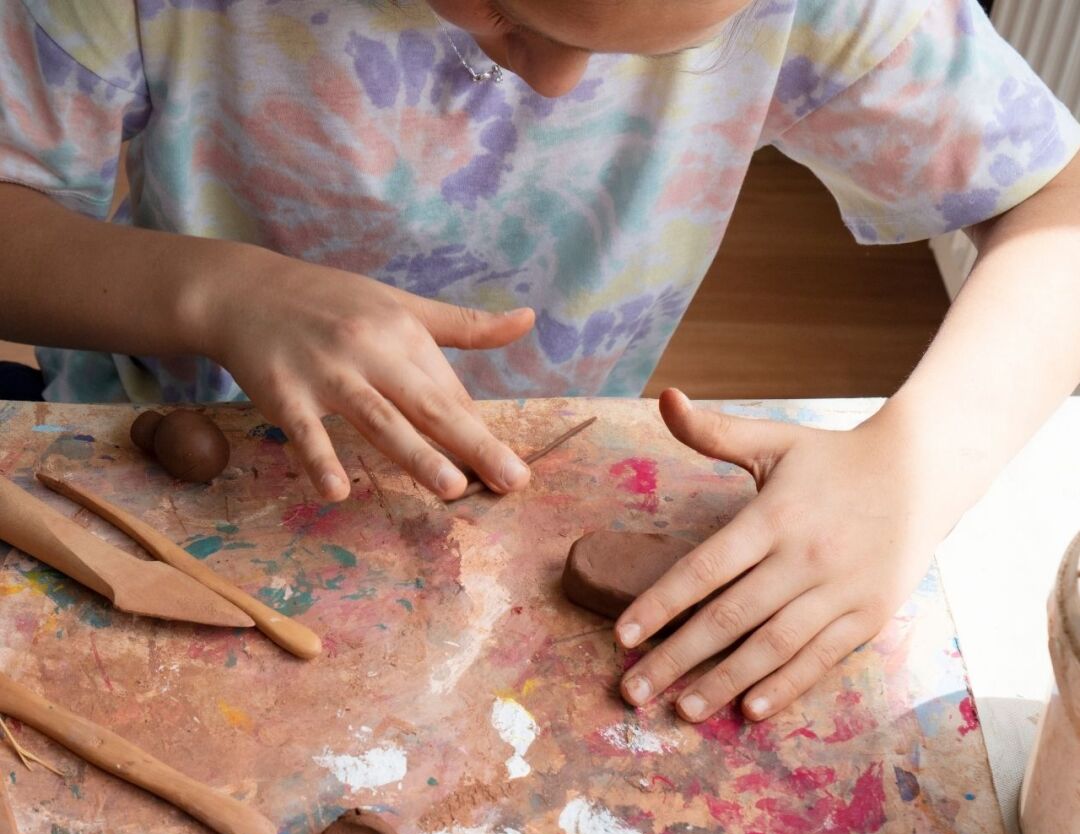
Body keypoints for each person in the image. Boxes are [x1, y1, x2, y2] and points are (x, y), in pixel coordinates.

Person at [0, 0, 1077, 724]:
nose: (555, 83)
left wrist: (917, 464)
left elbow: (1059, 212)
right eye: (504, 9)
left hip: (530, 489)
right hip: (147, 473)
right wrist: (214, 292)